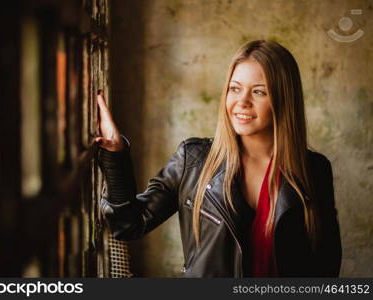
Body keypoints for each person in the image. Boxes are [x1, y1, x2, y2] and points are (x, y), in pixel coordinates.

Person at [95, 40, 342, 277]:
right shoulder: (192, 160)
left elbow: (326, 263)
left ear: (284, 99)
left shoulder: (314, 169)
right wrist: (115, 153)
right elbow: (128, 224)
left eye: (259, 92)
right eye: (235, 89)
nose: (242, 102)